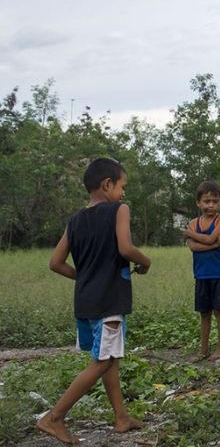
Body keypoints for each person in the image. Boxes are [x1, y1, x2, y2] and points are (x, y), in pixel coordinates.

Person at [37, 158, 151, 445]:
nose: (124, 194)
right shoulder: (118, 210)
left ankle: (121, 417)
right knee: (103, 361)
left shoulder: (75, 219)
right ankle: (55, 416)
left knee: (108, 360)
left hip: (85, 302)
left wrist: (84, 276)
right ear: (107, 184)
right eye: (122, 186)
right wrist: (146, 261)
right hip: (109, 302)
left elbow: (55, 263)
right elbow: (125, 247)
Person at [183, 181, 220, 362]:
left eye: (214, 201)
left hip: (219, 274)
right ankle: (203, 350)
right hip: (201, 275)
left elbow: (210, 237)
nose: (210, 205)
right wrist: (213, 244)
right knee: (204, 313)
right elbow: (194, 248)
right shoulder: (194, 223)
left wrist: (189, 234)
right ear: (198, 202)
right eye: (206, 201)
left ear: (219, 203)